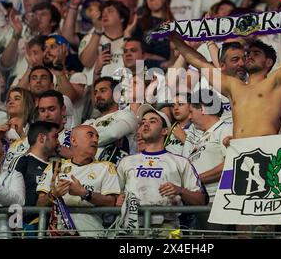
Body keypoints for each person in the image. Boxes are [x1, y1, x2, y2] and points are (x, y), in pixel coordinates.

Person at [170, 23, 281, 139]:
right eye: (248, 54)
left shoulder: (276, 81)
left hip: (266, 147)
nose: (249, 56)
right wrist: (174, 38)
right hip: (238, 150)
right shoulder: (233, 86)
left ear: (268, 63)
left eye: (256, 53)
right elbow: (200, 63)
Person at [116, 104, 207, 235]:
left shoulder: (181, 162)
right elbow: (113, 196)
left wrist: (180, 190)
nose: (146, 125)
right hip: (130, 228)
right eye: (143, 122)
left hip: (170, 227)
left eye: (152, 121)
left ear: (165, 131)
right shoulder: (125, 162)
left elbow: (201, 200)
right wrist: (117, 199)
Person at [36, 124, 120, 237]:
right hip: (58, 233)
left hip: (91, 233)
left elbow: (111, 202)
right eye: (90, 135)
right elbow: (39, 204)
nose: (95, 140)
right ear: (74, 141)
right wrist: (53, 194)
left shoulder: (106, 167)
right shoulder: (55, 167)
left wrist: (84, 193)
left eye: (97, 137)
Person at [186, 90, 232, 230]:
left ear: (203, 108)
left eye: (191, 111)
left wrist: (195, 180)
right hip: (200, 204)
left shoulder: (225, 130)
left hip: (218, 202)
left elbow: (231, 165)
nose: (189, 117)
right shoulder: (201, 138)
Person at [11, 121, 60, 234]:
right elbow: (11, 197)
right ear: (42, 138)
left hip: (49, 227)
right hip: (26, 226)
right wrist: (13, 230)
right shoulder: (23, 161)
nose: (58, 142)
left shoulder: (55, 166)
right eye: (55, 137)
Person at [83, 77, 138, 165]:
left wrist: (84, 141)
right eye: (95, 92)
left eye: (103, 90)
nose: (97, 95)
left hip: (119, 172)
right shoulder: (89, 123)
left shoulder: (127, 115)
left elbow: (113, 133)